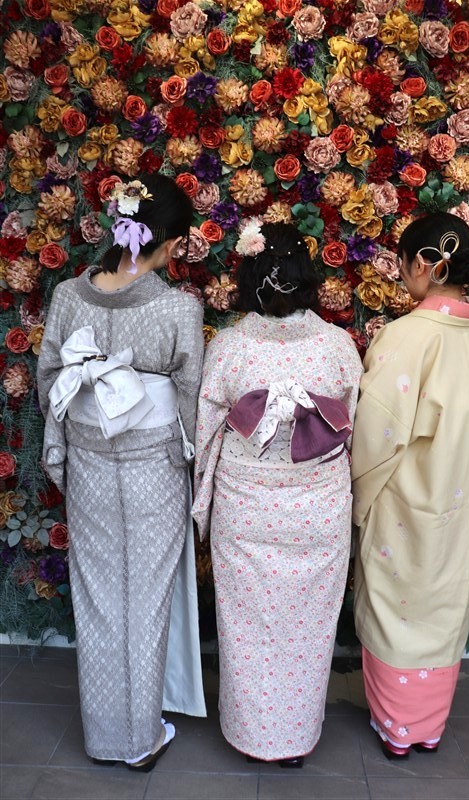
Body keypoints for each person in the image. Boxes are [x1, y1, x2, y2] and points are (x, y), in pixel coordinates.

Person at [37, 173, 206, 771]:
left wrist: (75, 428)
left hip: (87, 461)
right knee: (147, 597)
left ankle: (107, 734)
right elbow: (190, 398)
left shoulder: (68, 296)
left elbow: (50, 380)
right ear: (173, 243)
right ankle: (140, 737)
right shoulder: (179, 308)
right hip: (154, 464)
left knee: (98, 596)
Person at [351, 212, 469, 759]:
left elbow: (377, 434)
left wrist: (356, 498)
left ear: (424, 265)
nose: (402, 274)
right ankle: (426, 727)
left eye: (404, 264)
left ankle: (397, 728)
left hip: (411, 501)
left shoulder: (409, 337)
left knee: (398, 608)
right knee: (444, 608)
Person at [192, 221, 363, 766]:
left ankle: (253, 735)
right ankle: (293, 738)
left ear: (249, 278)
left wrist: (204, 499)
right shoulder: (337, 347)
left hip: (246, 506)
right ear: (307, 278)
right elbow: (353, 425)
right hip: (318, 505)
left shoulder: (229, 348)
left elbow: (206, 432)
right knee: (308, 625)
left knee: (246, 624)